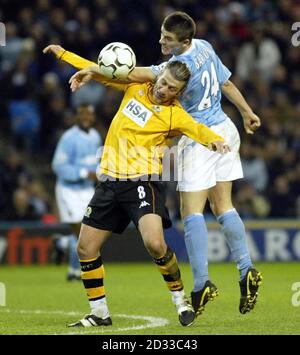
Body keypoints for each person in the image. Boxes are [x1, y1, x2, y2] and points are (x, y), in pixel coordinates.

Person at [55, 11, 263, 317]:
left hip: (199, 134)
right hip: (226, 126)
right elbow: (227, 84)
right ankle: (246, 268)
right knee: (223, 207)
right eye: (163, 35)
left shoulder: (169, 73)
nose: (161, 41)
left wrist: (87, 67)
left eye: (167, 38)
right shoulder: (205, 47)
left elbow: (127, 74)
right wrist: (246, 112)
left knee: (191, 212)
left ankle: (201, 283)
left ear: (184, 41)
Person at [44, 45, 230, 327]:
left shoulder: (174, 115)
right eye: (164, 82)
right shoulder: (136, 86)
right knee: (85, 248)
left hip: (142, 182)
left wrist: (214, 140)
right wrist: (64, 55)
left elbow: (197, 128)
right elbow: (101, 68)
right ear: (159, 76)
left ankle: (180, 302)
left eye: (172, 89)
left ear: (178, 93)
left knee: (154, 243)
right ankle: (99, 313)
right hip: (109, 183)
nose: (164, 89)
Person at [52, 103, 101, 281]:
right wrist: (84, 173)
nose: (86, 118)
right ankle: (75, 270)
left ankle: (62, 244)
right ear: (76, 117)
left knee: (88, 233)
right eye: (83, 114)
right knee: (81, 233)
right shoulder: (69, 138)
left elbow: (95, 162)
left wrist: (98, 173)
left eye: (90, 114)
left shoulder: (95, 136)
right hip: (69, 190)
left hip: (86, 190)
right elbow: (58, 166)